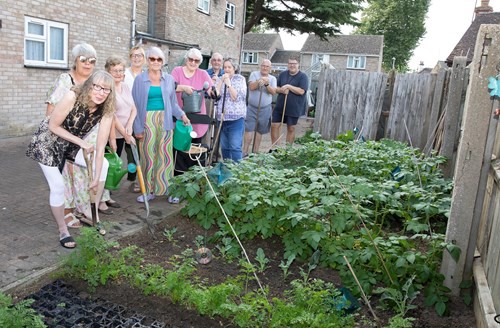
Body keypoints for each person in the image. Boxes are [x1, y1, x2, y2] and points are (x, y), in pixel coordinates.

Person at [26, 71, 115, 248]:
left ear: (110, 93)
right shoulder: (72, 96)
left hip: (71, 145)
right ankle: (63, 231)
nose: (100, 92)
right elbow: (52, 125)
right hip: (48, 143)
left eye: (106, 89)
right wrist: (81, 142)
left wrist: (96, 179)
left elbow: (99, 149)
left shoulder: (107, 110)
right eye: (97, 86)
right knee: (58, 186)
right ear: (89, 85)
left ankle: (92, 214)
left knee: (103, 165)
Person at [45, 43, 98, 229]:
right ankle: (66, 213)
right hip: (63, 139)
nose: (88, 64)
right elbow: (50, 112)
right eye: (83, 59)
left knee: (83, 175)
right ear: (75, 61)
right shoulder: (65, 80)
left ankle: (80, 209)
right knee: (65, 176)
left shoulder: (92, 83)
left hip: (83, 140)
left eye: (92, 61)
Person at [132, 47, 190, 203]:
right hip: (146, 121)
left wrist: (182, 115)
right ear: (148, 61)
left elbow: (173, 103)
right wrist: (137, 128)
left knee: (165, 157)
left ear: (163, 62)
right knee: (148, 157)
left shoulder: (169, 79)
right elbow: (135, 106)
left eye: (159, 59)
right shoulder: (140, 79)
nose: (155, 62)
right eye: (152, 59)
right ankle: (148, 191)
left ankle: (168, 190)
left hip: (165, 121)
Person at [271, 55, 309, 146]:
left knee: (291, 128)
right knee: (274, 126)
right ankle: (275, 148)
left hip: (294, 108)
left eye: (294, 63)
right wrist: (282, 90)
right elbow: (277, 88)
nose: (292, 65)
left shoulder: (303, 77)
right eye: (290, 63)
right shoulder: (283, 74)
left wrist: (289, 86)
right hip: (280, 106)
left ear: (298, 64)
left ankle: (288, 150)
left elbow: (301, 91)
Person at [214, 58, 247, 162]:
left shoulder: (240, 79)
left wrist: (228, 84)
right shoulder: (220, 79)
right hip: (222, 118)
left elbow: (235, 97)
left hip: (236, 119)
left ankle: (237, 172)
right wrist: (221, 82)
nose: (226, 70)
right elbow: (216, 95)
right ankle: (227, 170)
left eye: (229, 67)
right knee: (225, 147)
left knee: (235, 147)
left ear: (234, 68)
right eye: (225, 67)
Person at [123, 45, 146, 193]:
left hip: (142, 117)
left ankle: (139, 180)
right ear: (130, 57)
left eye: (140, 55)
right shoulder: (124, 73)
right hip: (125, 116)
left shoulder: (147, 75)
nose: (137, 58)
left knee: (141, 149)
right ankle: (132, 176)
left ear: (144, 59)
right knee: (129, 149)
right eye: (134, 55)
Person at [243, 59, 276, 155]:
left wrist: (266, 84)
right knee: (249, 128)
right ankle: (245, 151)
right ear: (260, 66)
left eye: (267, 66)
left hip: (265, 109)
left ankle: (255, 152)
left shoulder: (273, 79)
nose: (265, 68)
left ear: (270, 68)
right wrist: (259, 81)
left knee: (260, 130)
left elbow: (273, 92)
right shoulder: (254, 74)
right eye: (263, 66)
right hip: (252, 108)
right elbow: (251, 87)